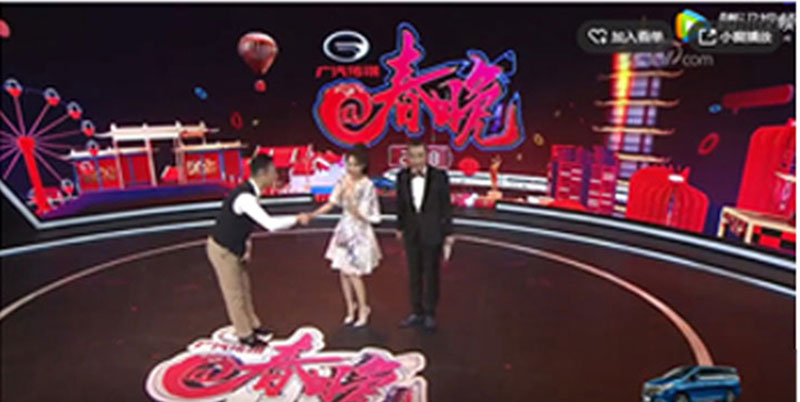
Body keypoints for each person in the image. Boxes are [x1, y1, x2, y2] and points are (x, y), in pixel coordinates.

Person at [206, 154, 310, 347]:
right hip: (223, 249)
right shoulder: (245, 197)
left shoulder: (252, 194)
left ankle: (253, 325)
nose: (276, 176)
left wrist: (246, 247)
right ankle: (244, 333)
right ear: (263, 174)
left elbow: (244, 225)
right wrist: (297, 219)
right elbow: (270, 224)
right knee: (234, 292)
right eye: (273, 172)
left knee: (244, 289)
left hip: (236, 247)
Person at [309, 144, 382, 328]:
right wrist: (313, 214)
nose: (351, 168)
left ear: (363, 165)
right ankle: (350, 308)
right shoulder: (343, 181)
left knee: (354, 273)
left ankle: (363, 308)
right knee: (343, 272)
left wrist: (356, 210)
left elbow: (372, 214)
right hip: (344, 229)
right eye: (349, 164)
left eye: (355, 165)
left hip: (360, 233)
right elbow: (331, 203)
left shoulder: (367, 186)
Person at [395, 139, 454, 332]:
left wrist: (449, 233)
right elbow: (400, 205)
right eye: (413, 156)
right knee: (414, 274)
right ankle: (416, 312)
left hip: (433, 232)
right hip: (411, 232)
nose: (417, 160)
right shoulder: (402, 177)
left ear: (427, 156)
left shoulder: (440, 176)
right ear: (408, 157)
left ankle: (430, 313)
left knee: (431, 274)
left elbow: (446, 206)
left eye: (420, 155)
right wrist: (400, 228)